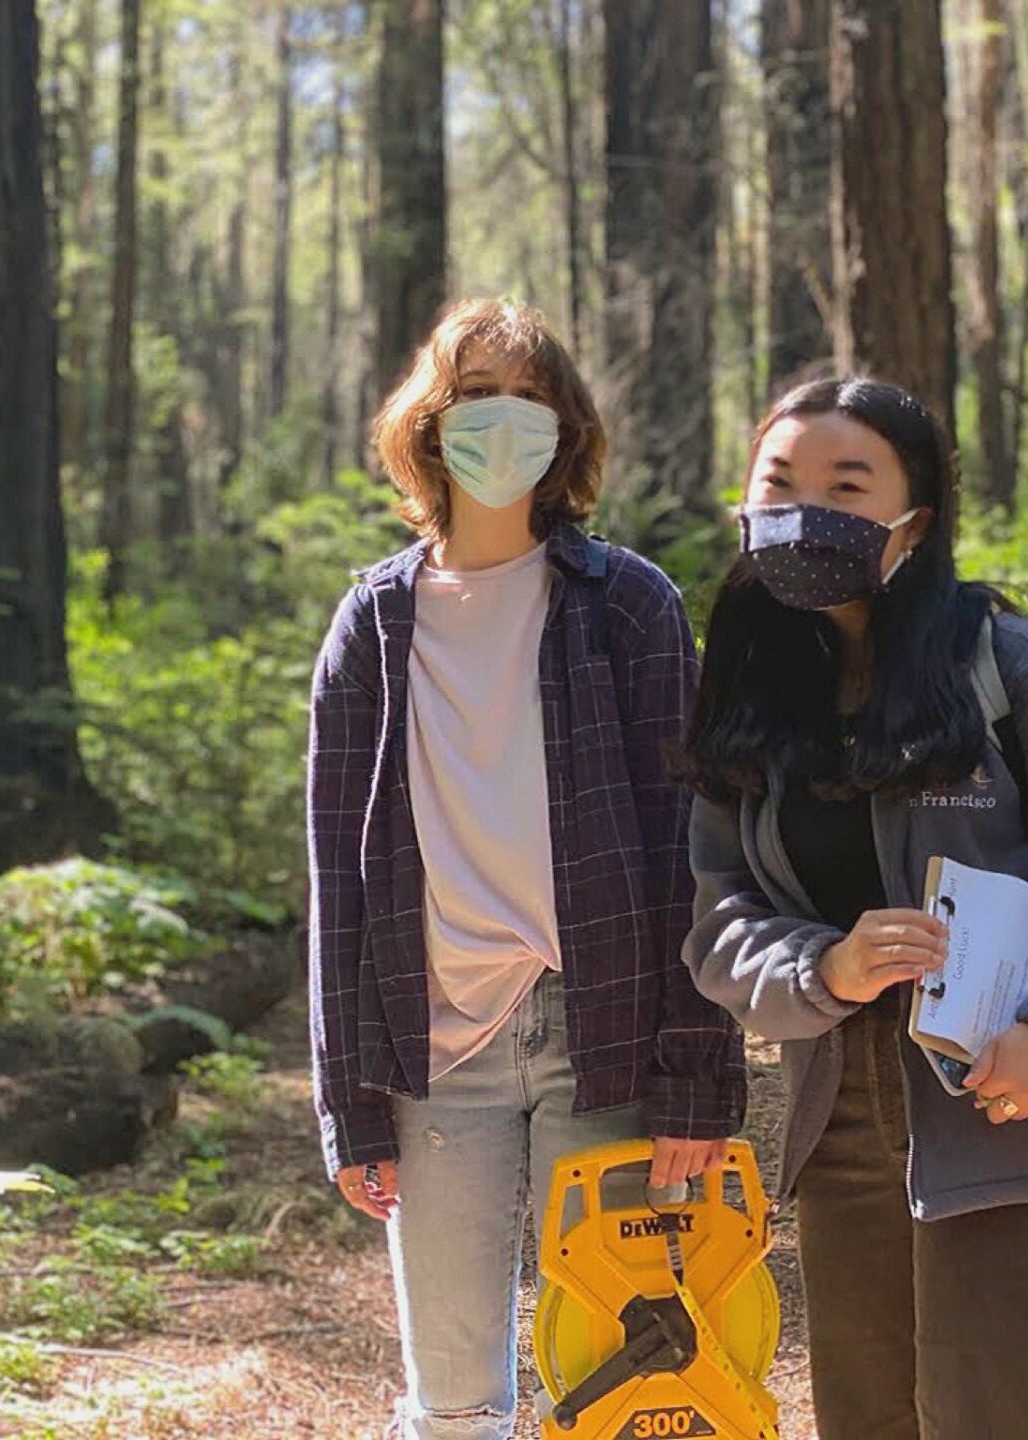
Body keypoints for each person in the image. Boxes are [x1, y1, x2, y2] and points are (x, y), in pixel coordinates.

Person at [671, 376, 1028, 1439]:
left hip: (1013, 1114)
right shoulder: (754, 695)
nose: (804, 509)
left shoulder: (1009, 668)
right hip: (843, 1128)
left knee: (1013, 1411)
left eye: (848, 484)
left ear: (913, 525)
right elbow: (717, 915)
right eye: (780, 481)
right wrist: (822, 969)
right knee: (870, 1416)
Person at [307, 298, 746, 1440]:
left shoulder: (629, 608)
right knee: (452, 1402)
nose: (502, 423)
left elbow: (688, 849)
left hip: (605, 1037)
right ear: (428, 425)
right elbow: (337, 883)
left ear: (565, 429)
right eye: (475, 398)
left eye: (528, 399)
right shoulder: (373, 627)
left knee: (626, 1380)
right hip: (433, 1042)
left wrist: (700, 1076)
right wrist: (345, 1099)